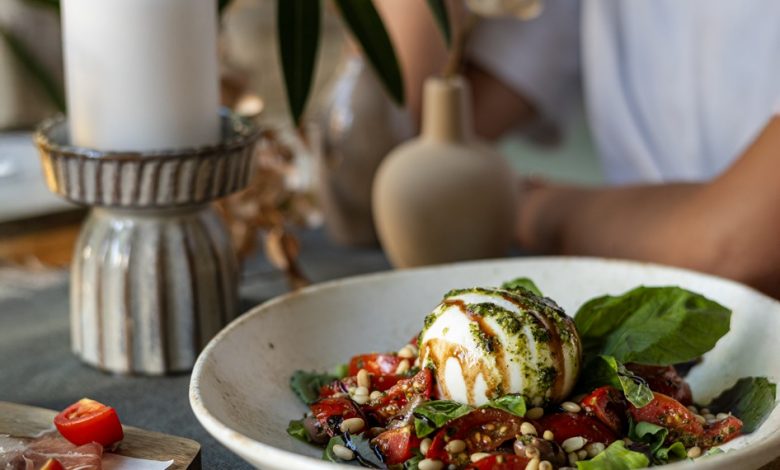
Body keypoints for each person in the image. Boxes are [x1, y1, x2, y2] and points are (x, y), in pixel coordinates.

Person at [378, 0, 780, 297]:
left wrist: (533, 210)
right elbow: (409, 125)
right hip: (639, 295)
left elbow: (742, 250)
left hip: (709, 313)